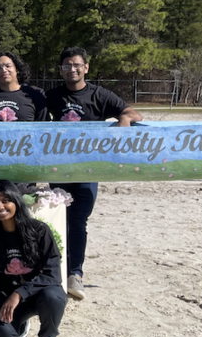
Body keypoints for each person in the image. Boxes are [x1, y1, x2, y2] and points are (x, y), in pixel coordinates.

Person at [46, 46, 143, 300]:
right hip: (59, 169)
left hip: (89, 170)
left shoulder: (100, 95)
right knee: (57, 220)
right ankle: (56, 271)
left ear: (86, 67)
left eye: (77, 65)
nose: (72, 69)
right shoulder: (52, 96)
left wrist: (124, 119)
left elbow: (134, 112)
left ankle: (75, 274)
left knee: (78, 222)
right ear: (61, 70)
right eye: (67, 66)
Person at [0, 180, 67, 337]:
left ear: (16, 201)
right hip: (9, 300)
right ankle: (21, 328)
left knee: (53, 296)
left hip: (39, 294)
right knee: (2, 335)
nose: (0, 207)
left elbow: (53, 274)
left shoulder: (39, 231)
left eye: (5, 201)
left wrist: (19, 292)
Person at [0, 51, 48, 122]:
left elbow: (44, 129)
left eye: (8, 66)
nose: (4, 70)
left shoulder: (35, 96)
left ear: (17, 69)